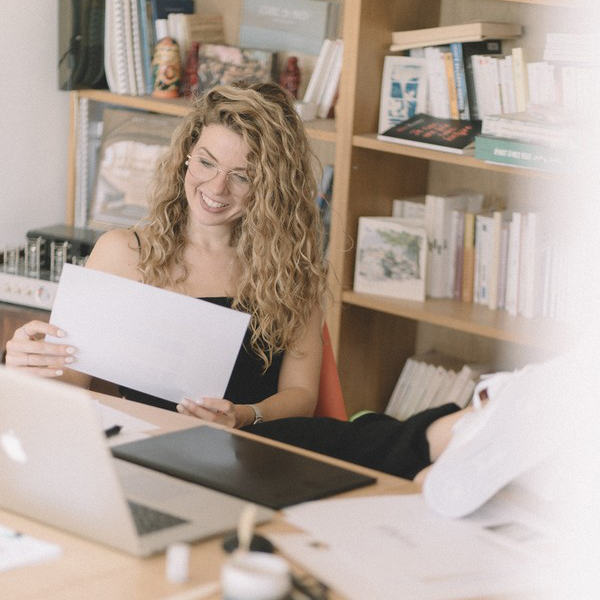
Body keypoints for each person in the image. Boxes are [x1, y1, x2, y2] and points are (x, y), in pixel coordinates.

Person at [4, 80, 478, 484]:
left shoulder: (292, 269)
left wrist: (241, 414)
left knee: (376, 437)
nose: (215, 189)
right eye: (207, 163)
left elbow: (301, 397)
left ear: (270, 185)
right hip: (152, 448)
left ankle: (477, 433)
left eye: (242, 177)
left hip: (259, 442)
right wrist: (27, 359)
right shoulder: (122, 252)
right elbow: (69, 385)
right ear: (187, 154)